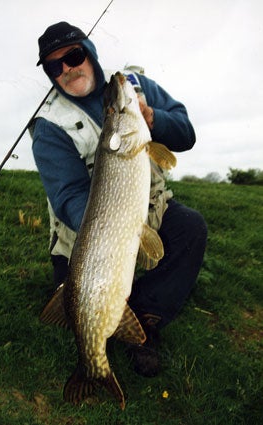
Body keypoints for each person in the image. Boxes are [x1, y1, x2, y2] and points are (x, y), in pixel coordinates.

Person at [31, 21, 207, 378]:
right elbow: (68, 197)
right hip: (83, 235)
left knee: (191, 228)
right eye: (54, 66)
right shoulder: (49, 126)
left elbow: (185, 133)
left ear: (89, 52)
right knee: (83, 295)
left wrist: (152, 118)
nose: (67, 69)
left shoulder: (131, 87)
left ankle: (145, 321)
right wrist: (111, 243)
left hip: (147, 209)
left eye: (74, 56)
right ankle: (97, 355)